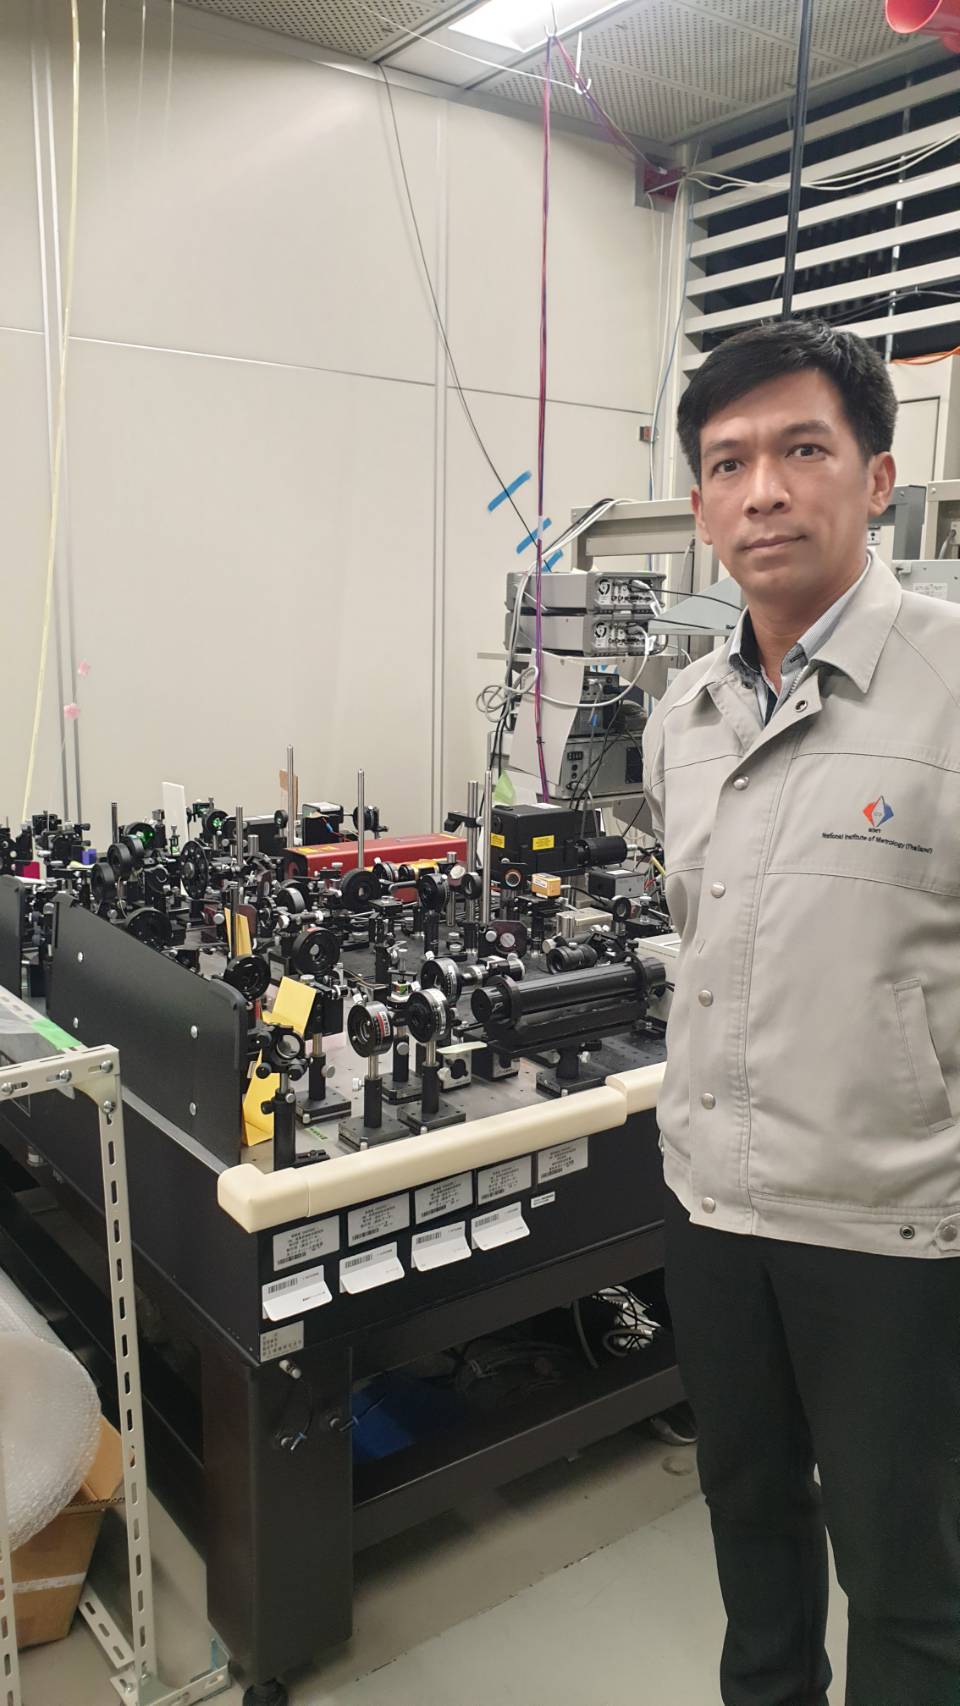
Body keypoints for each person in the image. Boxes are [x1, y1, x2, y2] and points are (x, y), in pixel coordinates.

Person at [641, 318, 960, 1706]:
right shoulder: (685, 715)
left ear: (878, 477)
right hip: (712, 1208)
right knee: (750, 1526)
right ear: (701, 504)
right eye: (729, 462)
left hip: (895, 1228)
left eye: (802, 449)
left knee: (911, 1581)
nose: (762, 490)